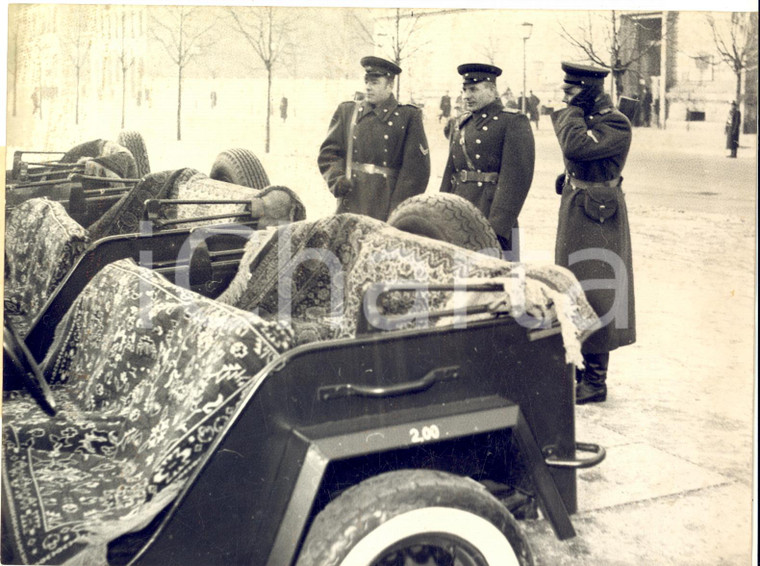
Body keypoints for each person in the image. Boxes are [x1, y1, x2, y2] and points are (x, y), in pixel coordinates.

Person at [552, 61, 636, 404]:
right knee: (572, 287)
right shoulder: (587, 120)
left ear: (588, 90)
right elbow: (578, 155)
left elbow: (575, 148)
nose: (565, 99)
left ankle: (595, 382)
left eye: (571, 92)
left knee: (599, 292)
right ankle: (579, 370)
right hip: (577, 208)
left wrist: (570, 112)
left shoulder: (616, 123)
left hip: (600, 215)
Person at [440, 63, 535, 259]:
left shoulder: (512, 122)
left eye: (473, 89)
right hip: (460, 213)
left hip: (490, 214)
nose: (466, 96)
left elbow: (516, 180)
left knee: (494, 282)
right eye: (464, 90)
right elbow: (450, 173)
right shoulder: (462, 123)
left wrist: (496, 229)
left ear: (492, 90)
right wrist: (441, 211)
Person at [318, 56, 430, 221]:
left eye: (375, 83)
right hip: (351, 201)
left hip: (386, 205)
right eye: (367, 82)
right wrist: (337, 179)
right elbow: (328, 154)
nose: (368, 88)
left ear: (390, 86)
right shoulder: (347, 111)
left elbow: (416, 172)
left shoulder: (408, 117)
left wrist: (398, 210)